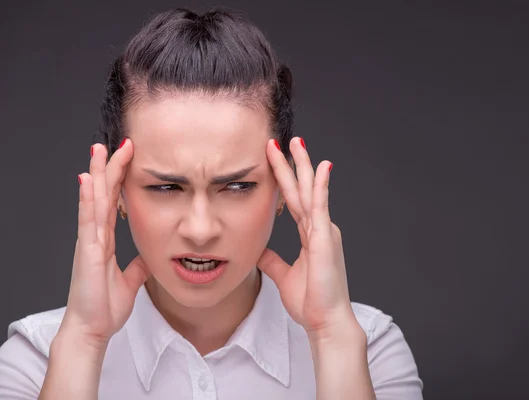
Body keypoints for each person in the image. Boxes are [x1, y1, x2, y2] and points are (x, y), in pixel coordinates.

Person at [0, 7, 423, 399]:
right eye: (166, 188)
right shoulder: (37, 359)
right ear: (117, 193)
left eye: (237, 186)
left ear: (282, 189)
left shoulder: (366, 349)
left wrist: (331, 335)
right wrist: (84, 341)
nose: (200, 230)